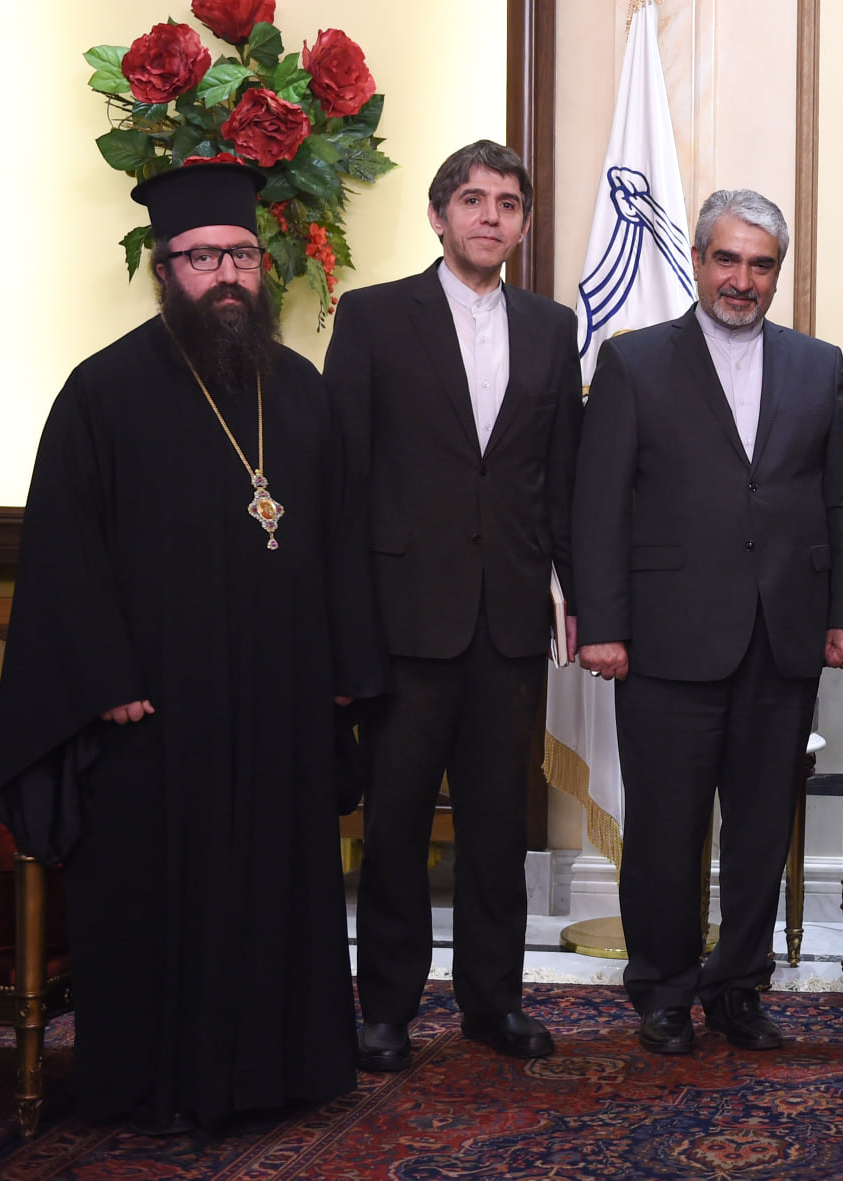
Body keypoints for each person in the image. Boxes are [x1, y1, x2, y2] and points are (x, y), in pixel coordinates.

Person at [0, 162, 377, 1132]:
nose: (227, 275)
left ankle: (285, 1069)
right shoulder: (103, 391)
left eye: (241, 254)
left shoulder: (301, 392)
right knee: (163, 892)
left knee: (277, 889)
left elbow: (341, 536)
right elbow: (64, 547)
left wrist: (344, 669)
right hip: (158, 710)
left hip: (283, 701)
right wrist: (105, 675)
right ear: (164, 270)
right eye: (203, 258)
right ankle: (154, 1081)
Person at [572, 189, 843, 1056]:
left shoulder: (818, 365)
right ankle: (664, 990)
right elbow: (600, 506)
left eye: (761, 264)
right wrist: (603, 625)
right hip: (666, 639)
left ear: (778, 273)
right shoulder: (634, 362)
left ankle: (738, 988)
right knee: (665, 830)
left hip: (784, 637)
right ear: (699, 260)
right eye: (728, 259)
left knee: (759, 832)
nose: (742, 279)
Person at [324, 140, 583, 1071]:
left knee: (497, 827)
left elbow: (563, 480)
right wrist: (343, 625)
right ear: (438, 215)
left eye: (507, 203)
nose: (489, 216)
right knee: (395, 824)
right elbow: (343, 479)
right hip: (403, 620)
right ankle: (386, 1010)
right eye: (472, 200)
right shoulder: (372, 316)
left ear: (523, 224)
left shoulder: (552, 327)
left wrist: (579, 597)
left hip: (510, 618)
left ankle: (493, 1002)